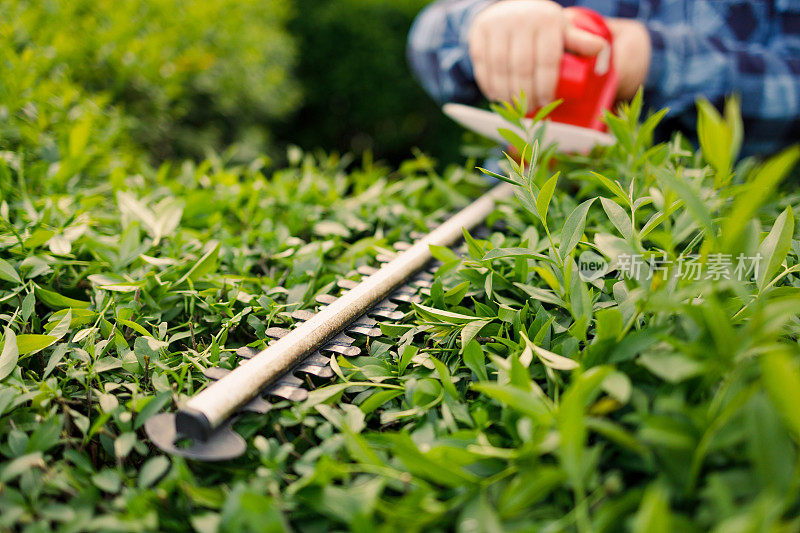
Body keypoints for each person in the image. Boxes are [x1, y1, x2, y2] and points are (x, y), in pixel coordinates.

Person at [407, 0, 800, 155]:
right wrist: (485, 19)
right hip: (515, 209)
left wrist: (649, 59)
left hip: (707, 227)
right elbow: (426, 37)